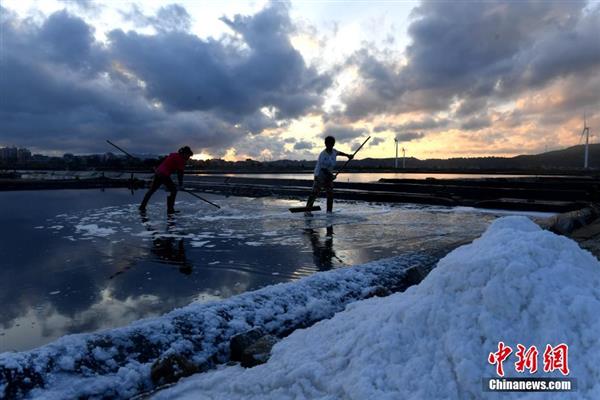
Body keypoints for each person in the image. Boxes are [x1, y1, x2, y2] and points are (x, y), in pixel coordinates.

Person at [305, 136, 353, 214]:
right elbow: (323, 169)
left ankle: (329, 211)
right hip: (320, 175)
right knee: (314, 193)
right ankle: (307, 210)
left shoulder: (334, 151)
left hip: (329, 174)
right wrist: (331, 176)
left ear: (333, 144)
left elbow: (339, 153)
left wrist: (348, 155)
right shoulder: (323, 155)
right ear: (326, 144)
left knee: (330, 193)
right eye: (329, 144)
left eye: (332, 144)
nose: (330, 145)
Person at [139, 146, 193, 214]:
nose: (188, 158)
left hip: (158, 172)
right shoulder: (181, 160)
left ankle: (142, 206)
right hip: (164, 174)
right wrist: (181, 185)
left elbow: (164, 162)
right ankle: (170, 210)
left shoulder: (173, 155)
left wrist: (156, 169)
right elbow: (180, 173)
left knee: (152, 190)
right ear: (185, 153)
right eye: (188, 156)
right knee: (173, 190)